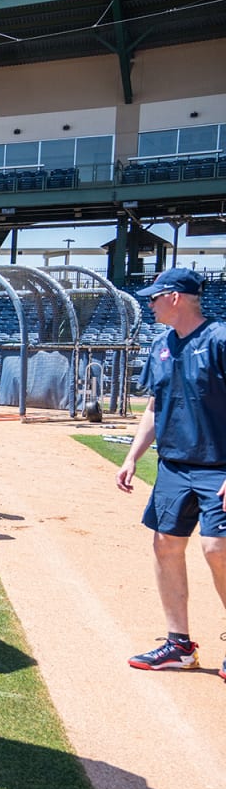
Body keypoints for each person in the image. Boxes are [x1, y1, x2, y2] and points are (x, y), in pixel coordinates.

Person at [117, 268, 226, 677]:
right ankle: (178, 644)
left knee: (218, 550)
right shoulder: (161, 345)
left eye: (155, 297)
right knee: (165, 544)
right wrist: (131, 457)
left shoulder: (219, 339)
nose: (149, 303)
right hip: (175, 465)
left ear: (176, 297)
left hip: (220, 465)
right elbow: (154, 407)